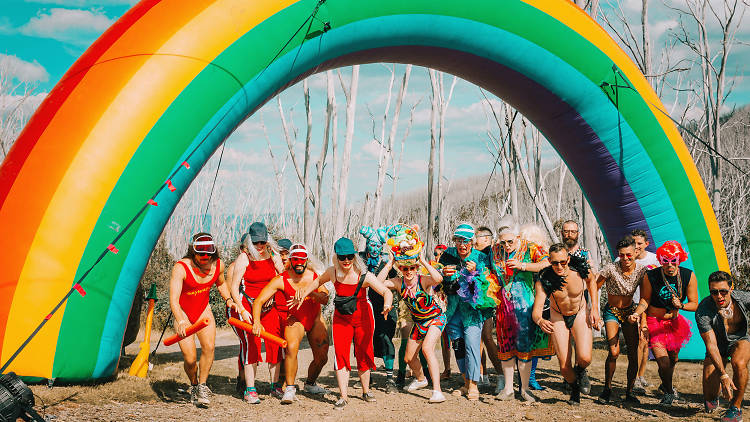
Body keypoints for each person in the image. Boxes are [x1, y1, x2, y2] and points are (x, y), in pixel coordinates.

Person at [293, 237, 394, 410]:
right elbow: (318, 281)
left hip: (363, 316)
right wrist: (304, 292)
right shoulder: (333, 272)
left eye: (349, 256)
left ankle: (366, 391)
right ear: (337, 257)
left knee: (363, 351)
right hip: (341, 317)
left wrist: (387, 304)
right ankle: (343, 396)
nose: (346, 260)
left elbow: (385, 291)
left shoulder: (365, 275)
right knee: (340, 354)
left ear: (354, 256)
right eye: (342, 257)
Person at [251, 244, 331, 404]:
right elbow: (259, 301)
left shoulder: (313, 276)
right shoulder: (281, 279)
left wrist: (312, 294)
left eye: (302, 260)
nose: (299, 263)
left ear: (307, 260)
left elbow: (325, 298)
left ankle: (310, 384)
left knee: (322, 358)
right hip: (296, 319)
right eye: (296, 260)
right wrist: (257, 323)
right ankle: (290, 388)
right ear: (291, 261)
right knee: (291, 347)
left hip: (315, 319)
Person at [169, 232, 238, 408]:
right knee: (190, 358)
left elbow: (221, 283)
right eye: (200, 254)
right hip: (183, 313)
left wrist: (229, 300)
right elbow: (174, 299)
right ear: (193, 252)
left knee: (209, 347)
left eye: (208, 254)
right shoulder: (181, 267)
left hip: (203, 310)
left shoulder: (219, 265)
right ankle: (193, 384)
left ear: (214, 253)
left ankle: (202, 385)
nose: (204, 258)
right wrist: (181, 321)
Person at [629, 240, 699, 406]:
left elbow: (694, 304)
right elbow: (645, 300)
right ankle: (669, 392)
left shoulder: (688, 275)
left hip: (674, 322)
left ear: (679, 259)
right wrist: (637, 314)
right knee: (663, 361)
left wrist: (681, 305)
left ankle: (664, 385)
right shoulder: (651, 275)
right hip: (655, 322)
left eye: (673, 260)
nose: (669, 265)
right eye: (665, 260)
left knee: (673, 359)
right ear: (660, 260)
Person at [493, 219, 553, 402]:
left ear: (518, 237)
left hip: (525, 306)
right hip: (503, 307)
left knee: (524, 347)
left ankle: (525, 389)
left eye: (510, 241)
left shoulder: (530, 248)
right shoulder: (496, 250)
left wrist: (523, 266)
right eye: (503, 242)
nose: (507, 245)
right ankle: (509, 389)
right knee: (505, 347)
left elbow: (547, 263)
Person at [439, 223, 500, 401]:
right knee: (458, 346)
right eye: (458, 240)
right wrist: (442, 272)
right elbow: (436, 274)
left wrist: (477, 272)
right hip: (452, 310)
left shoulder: (481, 257)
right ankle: (466, 382)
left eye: (466, 241)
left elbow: (490, 282)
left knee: (473, 345)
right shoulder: (448, 254)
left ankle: (474, 384)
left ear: (472, 242)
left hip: (472, 310)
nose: (462, 245)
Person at [378, 247, 447, 403]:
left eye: (412, 268)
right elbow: (378, 282)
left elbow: (438, 279)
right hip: (419, 322)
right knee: (408, 358)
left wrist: (422, 261)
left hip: (436, 318)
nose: (409, 271)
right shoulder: (398, 282)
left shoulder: (423, 279)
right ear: (401, 269)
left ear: (416, 268)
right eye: (405, 268)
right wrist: (390, 263)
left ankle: (437, 391)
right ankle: (421, 379)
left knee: (427, 349)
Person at [532, 243, 598, 404]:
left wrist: (595, 308)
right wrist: (540, 321)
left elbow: (592, 283)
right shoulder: (544, 280)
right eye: (555, 263)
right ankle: (574, 388)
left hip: (580, 312)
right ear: (549, 261)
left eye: (563, 262)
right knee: (564, 366)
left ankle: (581, 370)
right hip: (558, 316)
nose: (559, 266)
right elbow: (536, 310)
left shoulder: (581, 270)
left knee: (585, 357)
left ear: (568, 259)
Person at [229, 222, 285, 404]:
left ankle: (275, 386)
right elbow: (234, 287)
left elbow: (283, 279)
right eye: (256, 243)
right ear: (250, 242)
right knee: (251, 344)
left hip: (268, 307)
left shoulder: (274, 257)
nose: (260, 247)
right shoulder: (244, 259)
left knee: (274, 343)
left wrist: (274, 293)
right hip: (246, 305)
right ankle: (250, 389)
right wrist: (243, 310)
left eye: (262, 242)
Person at [596, 235, 648, 404]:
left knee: (634, 353)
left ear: (636, 252)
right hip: (612, 311)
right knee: (614, 352)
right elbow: (594, 286)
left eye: (629, 255)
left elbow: (645, 298)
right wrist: (593, 310)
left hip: (630, 312)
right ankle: (607, 389)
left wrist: (641, 317)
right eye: (622, 255)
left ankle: (629, 391)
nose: (625, 258)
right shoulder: (611, 268)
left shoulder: (641, 271)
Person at [697, 271, 750, 422]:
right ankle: (714, 397)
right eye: (714, 292)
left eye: (723, 291)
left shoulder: (743, 298)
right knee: (710, 401)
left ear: (731, 288)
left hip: (740, 339)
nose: (719, 296)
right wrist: (723, 374)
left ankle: (736, 408)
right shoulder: (703, 310)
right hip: (717, 345)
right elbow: (711, 345)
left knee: (739, 363)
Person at [359, 225, 399, 393]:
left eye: (377, 246)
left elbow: (397, 279)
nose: (374, 248)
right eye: (371, 244)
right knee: (364, 340)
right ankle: (368, 374)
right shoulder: (359, 258)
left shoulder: (386, 261)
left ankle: (390, 378)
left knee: (386, 339)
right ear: (367, 244)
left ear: (382, 246)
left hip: (384, 307)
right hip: (363, 306)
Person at [559, 219, 594, 393]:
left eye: (573, 232)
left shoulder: (585, 253)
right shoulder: (556, 252)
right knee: (566, 340)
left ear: (578, 233)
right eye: (566, 231)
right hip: (560, 303)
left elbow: (592, 279)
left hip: (581, 301)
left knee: (581, 342)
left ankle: (581, 370)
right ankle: (569, 376)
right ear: (562, 233)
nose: (569, 235)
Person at [519, 223, 552, 392]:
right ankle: (525, 377)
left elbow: (545, 265)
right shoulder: (519, 252)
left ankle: (530, 376)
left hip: (539, 301)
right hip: (521, 301)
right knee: (524, 340)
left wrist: (523, 266)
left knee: (535, 341)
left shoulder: (540, 253)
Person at [629, 229, 659, 391]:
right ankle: (634, 379)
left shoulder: (654, 259)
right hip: (633, 305)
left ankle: (640, 376)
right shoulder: (625, 258)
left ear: (646, 244)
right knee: (639, 341)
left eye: (639, 243)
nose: (636, 246)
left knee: (645, 342)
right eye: (633, 242)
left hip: (650, 305)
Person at [473, 227, 502, 389]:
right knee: (475, 338)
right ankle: (482, 375)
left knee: (487, 336)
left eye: (476, 236)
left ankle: (501, 374)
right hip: (471, 300)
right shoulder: (469, 253)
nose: (473, 239)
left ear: (486, 239)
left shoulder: (492, 253)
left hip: (487, 299)